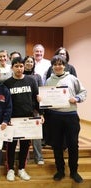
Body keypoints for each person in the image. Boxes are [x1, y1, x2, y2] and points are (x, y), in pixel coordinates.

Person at [44, 55, 86, 183]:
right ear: (52, 66)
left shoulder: (72, 79)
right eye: (55, 64)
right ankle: (60, 170)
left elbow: (83, 92)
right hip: (55, 117)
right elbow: (46, 98)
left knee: (73, 145)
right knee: (57, 145)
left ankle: (74, 171)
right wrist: (42, 100)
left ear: (65, 65)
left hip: (71, 116)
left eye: (60, 64)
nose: (58, 66)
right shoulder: (48, 81)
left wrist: (77, 99)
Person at [4, 57, 43, 182]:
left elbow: (37, 98)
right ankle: (10, 169)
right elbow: (4, 102)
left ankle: (21, 168)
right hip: (12, 119)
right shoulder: (7, 83)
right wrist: (6, 118)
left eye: (21, 66)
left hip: (28, 119)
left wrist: (40, 113)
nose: (19, 68)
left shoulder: (31, 81)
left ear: (24, 67)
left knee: (25, 146)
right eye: (16, 66)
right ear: (12, 67)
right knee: (11, 145)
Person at [23, 56, 44, 165]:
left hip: (35, 109)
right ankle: (25, 158)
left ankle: (39, 157)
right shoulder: (20, 76)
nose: (29, 63)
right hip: (23, 109)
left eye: (31, 62)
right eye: (27, 61)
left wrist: (41, 112)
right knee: (24, 135)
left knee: (36, 135)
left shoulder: (37, 77)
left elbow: (41, 93)